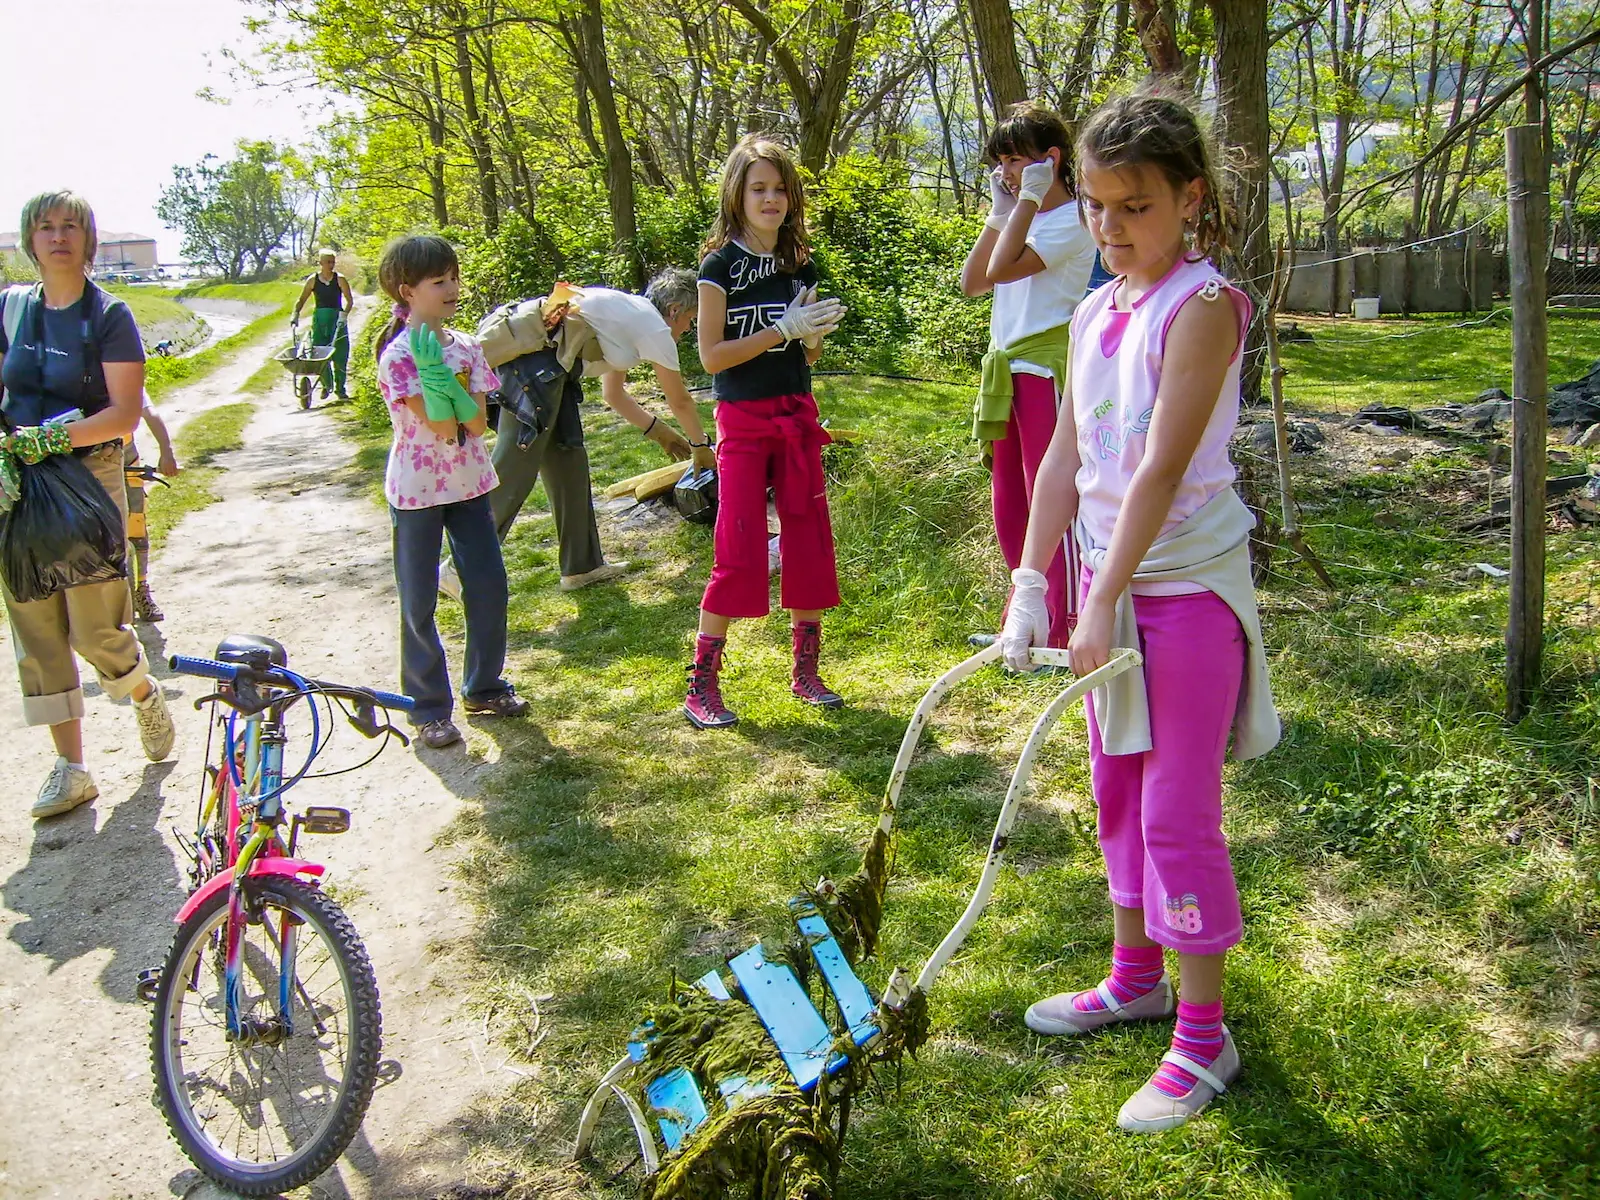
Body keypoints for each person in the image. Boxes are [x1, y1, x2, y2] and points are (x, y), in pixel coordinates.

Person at [998, 92, 1280, 1133]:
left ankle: (1205, 1041)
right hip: (1102, 591)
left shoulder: (1204, 306)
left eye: (1136, 207)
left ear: (1188, 200)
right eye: (1102, 208)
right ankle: (1135, 978)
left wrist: (1102, 596)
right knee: (1115, 787)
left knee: (1175, 811)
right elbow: (1065, 457)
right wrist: (1034, 583)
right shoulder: (1090, 311)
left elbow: (1161, 466)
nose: (1113, 230)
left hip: (1185, 592)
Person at [0, 190, 176, 817]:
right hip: (21, 484)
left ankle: (140, 688)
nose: (57, 236)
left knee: (94, 627)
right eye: (44, 226)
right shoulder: (11, 309)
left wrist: (51, 437)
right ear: (29, 238)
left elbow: (124, 414)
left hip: (88, 474)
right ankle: (71, 767)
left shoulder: (109, 313)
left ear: (88, 238)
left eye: (69, 225)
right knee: (36, 626)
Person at [684, 135, 846, 730]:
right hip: (745, 422)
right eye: (759, 189)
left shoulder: (798, 259)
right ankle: (702, 684)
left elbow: (811, 347)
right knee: (739, 543)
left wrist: (811, 332)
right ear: (738, 195)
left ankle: (805, 671)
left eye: (780, 189)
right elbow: (711, 356)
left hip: (797, 413)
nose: (771, 199)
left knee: (807, 537)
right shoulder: (718, 266)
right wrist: (781, 330)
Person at [443, 268, 712, 598]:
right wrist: (701, 445)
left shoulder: (630, 319)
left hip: (554, 374)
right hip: (533, 369)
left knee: (569, 464)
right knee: (514, 471)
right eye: (690, 319)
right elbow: (680, 399)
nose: (688, 329)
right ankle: (457, 566)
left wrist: (660, 433)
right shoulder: (651, 325)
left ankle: (581, 566)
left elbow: (613, 394)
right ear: (674, 310)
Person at [374, 234, 528, 750]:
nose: (452, 288)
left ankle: (484, 687)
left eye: (454, 278)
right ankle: (428, 708)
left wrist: (442, 377)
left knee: (488, 586)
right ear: (407, 291)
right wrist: (443, 387)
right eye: (439, 281)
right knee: (419, 601)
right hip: (416, 491)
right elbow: (442, 425)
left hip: (468, 484)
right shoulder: (397, 358)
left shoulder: (467, 347)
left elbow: (477, 425)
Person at [961, 103, 1097, 651]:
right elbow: (974, 281)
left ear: (1051, 159)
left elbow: (1000, 270)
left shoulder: (1072, 220)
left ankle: (1061, 627)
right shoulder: (1025, 216)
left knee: (1051, 501)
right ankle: (1021, 622)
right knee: (1009, 502)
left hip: (1046, 368)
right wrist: (1001, 212)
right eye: (1000, 163)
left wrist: (1030, 200)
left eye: (1015, 161)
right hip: (1007, 369)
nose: (1006, 174)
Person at [124, 393, 180, 622]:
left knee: (136, 525)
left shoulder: (118, 370)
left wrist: (166, 451)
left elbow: (148, 411)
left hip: (125, 459)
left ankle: (141, 589)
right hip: (84, 465)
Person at [292, 248, 353, 400]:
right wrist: (295, 314)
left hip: (336, 320)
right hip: (320, 320)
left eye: (333, 262)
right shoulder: (313, 280)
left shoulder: (340, 279)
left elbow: (349, 300)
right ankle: (327, 385)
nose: (331, 265)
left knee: (340, 353)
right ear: (320, 263)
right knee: (320, 353)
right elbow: (301, 299)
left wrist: (344, 315)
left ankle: (340, 389)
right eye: (328, 262)